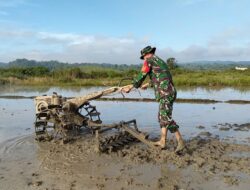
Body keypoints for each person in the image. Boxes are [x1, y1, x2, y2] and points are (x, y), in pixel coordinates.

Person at [122, 46, 185, 153]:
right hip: (169, 91)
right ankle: (162, 141)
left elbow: (141, 75)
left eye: (144, 56)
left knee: (165, 117)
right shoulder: (160, 62)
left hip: (165, 92)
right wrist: (148, 84)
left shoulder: (149, 60)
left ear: (147, 54)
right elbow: (161, 77)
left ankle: (180, 141)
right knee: (162, 117)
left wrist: (131, 87)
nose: (144, 58)